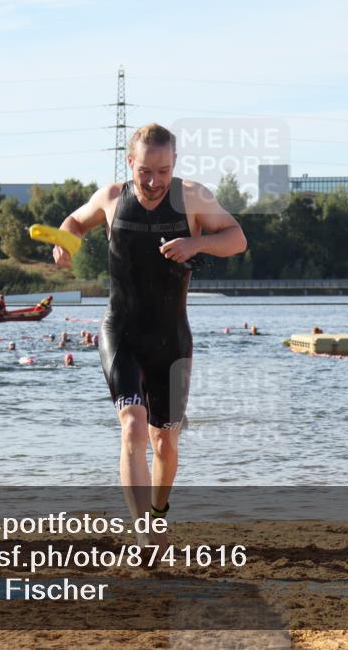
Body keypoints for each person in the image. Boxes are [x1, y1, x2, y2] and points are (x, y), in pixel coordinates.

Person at [53, 122, 246, 543]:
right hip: (121, 331)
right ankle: (142, 532)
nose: (154, 181)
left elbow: (237, 238)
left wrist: (196, 245)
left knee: (164, 444)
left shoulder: (193, 197)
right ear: (131, 163)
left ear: (174, 163)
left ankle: (157, 514)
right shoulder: (111, 198)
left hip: (171, 339)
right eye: (145, 172)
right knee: (133, 427)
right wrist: (64, 243)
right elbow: (73, 222)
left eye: (162, 170)